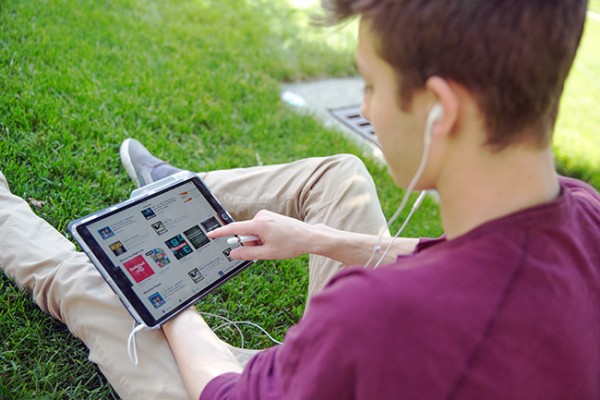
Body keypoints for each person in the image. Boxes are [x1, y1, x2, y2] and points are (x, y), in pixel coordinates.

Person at [0, 0, 598, 399]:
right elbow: (440, 253)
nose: (365, 108)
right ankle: (175, 196)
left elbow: (227, 393)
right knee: (339, 174)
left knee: (97, 286)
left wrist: (169, 299)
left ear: (442, 112)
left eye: (370, 85)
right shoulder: (584, 212)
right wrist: (312, 238)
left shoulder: (378, 315)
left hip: (264, 385)